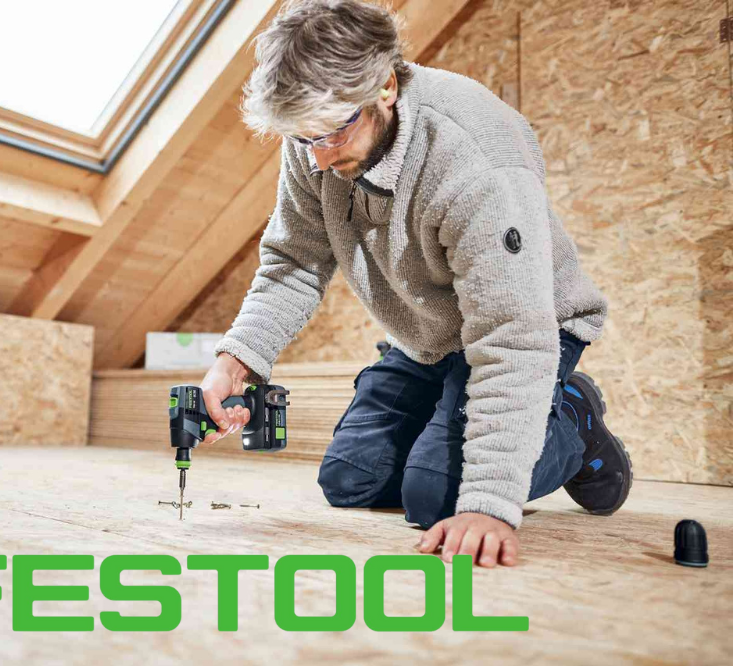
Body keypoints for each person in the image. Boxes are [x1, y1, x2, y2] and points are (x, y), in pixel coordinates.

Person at [198, 0, 632, 568]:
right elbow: (296, 260)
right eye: (305, 140)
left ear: (384, 86)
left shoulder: (475, 159)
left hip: (526, 328)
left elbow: (511, 335)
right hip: (429, 336)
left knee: (439, 498)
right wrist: (240, 358)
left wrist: (490, 502)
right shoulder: (315, 134)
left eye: (332, 134)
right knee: (349, 480)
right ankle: (450, 427)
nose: (320, 160)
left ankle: (573, 412)